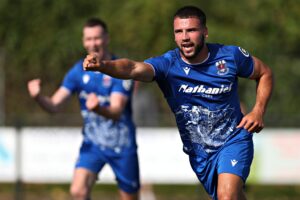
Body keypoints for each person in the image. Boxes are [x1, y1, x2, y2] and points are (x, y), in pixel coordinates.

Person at [83, 6, 273, 200]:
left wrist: (258, 111)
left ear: (205, 32)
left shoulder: (230, 56)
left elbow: (264, 72)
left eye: (191, 30)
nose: (185, 37)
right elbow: (132, 68)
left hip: (234, 139)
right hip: (200, 154)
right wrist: (104, 65)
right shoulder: (168, 65)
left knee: (227, 195)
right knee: (231, 196)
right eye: (179, 31)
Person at [27, 18, 139, 200]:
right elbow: (55, 106)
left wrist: (98, 109)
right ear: (83, 41)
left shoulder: (120, 69)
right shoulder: (77, 72)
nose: (93, 44)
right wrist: (38, 97)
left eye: (97, 38)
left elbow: (116, 111)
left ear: (106, 39)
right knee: (78, 191)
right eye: (88, 39)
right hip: (92, 144)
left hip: (122, 145)